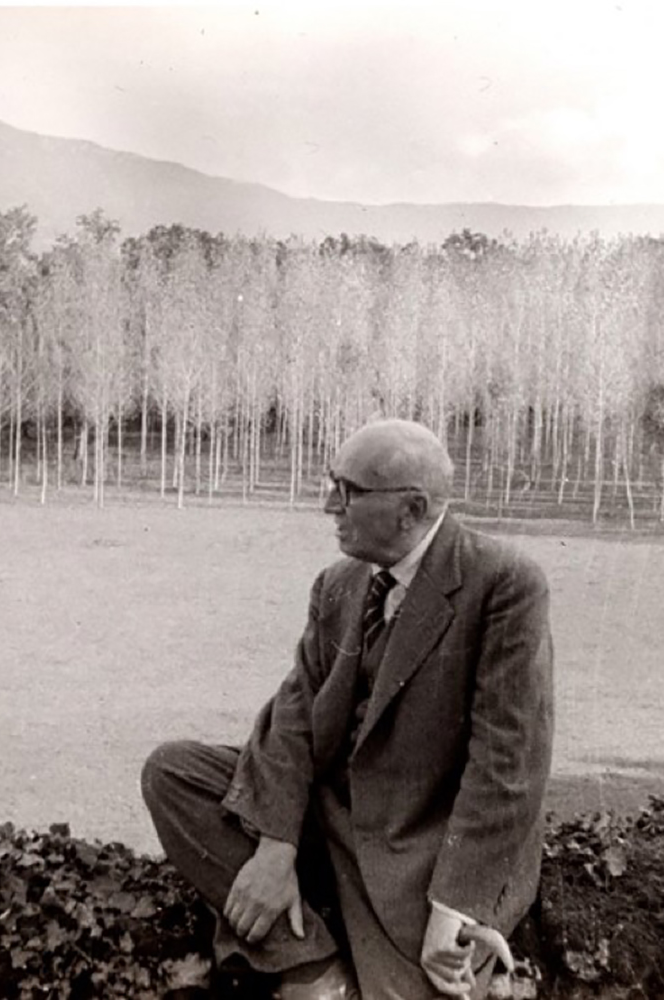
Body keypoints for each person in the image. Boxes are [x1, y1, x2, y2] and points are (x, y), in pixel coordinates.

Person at [139, 418, 551, 999]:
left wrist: (456, 906)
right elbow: (292, 716)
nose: (329, 505)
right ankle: (311, 969)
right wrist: (275, 844)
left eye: (349, 491)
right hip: (325, 814)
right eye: (332, 483)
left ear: (411, 508)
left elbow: (508, 767)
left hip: (417, 846)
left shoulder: (503, 584)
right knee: (173, 774)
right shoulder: (338, 585)